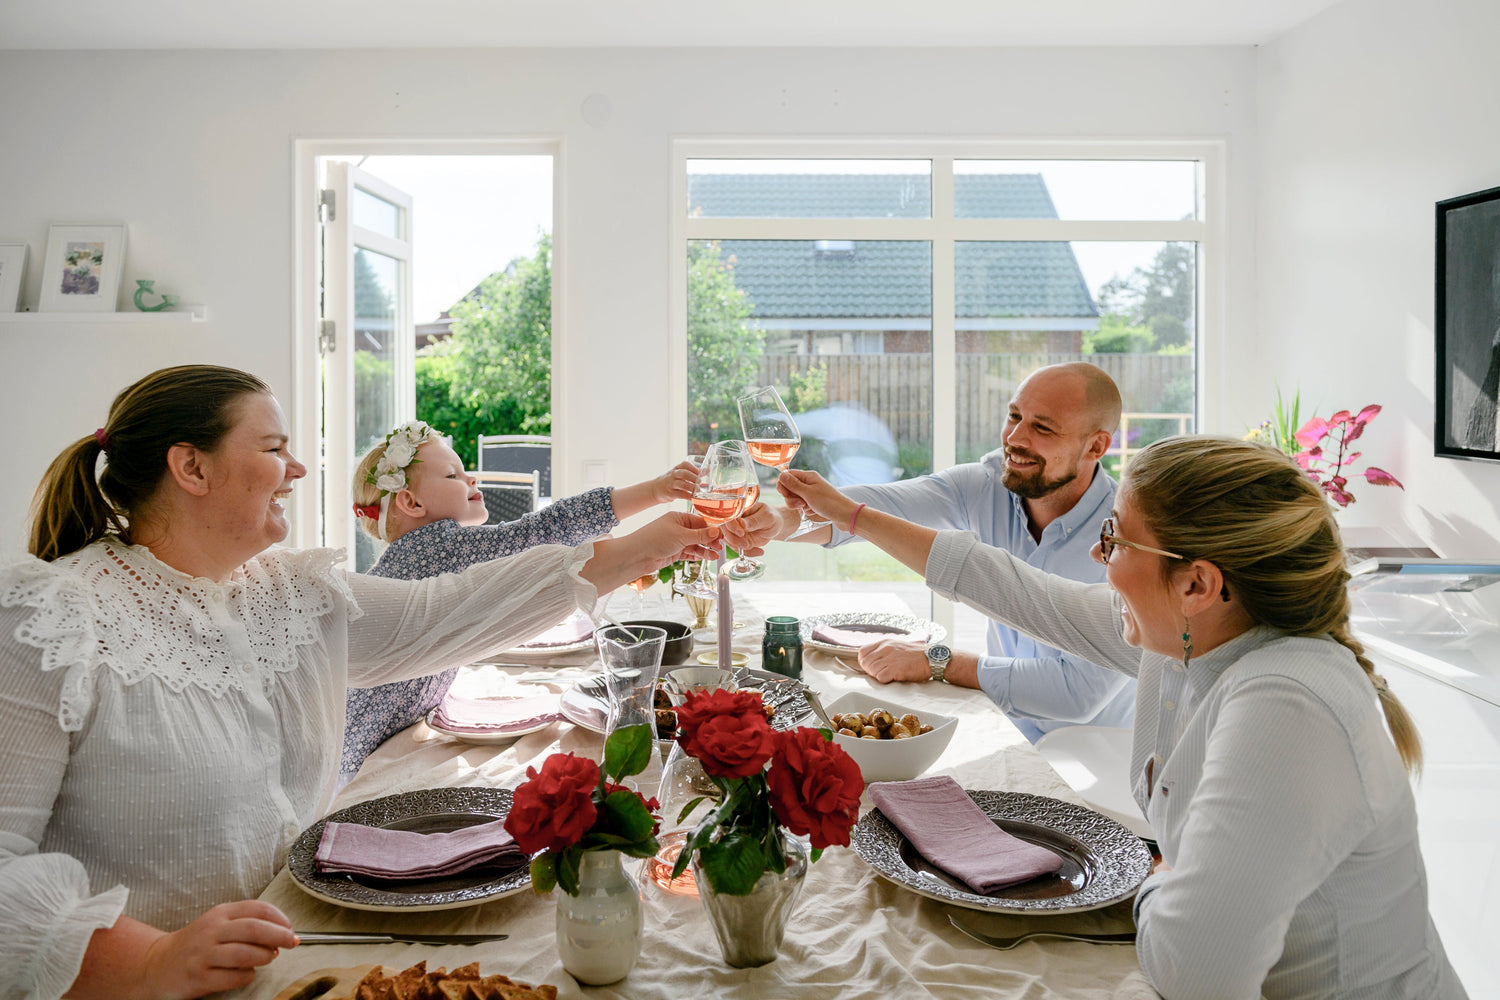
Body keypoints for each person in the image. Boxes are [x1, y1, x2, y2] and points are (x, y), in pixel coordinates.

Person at [0, 365, 722, 1000]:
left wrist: (660, 540)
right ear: (191, 468)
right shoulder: (49, 618)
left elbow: (448, 612)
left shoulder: (284, 592)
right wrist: (151, 961)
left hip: (300, 961)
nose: (299, 469)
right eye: (273, 448)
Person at [777, 437, 1465, 999]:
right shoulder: (1190, 639)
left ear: (1197, 582)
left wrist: (1155, 880)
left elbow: (1196, 973)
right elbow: (1011, 587)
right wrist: (851, 516)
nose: (1103, 563)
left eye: (1116, 541)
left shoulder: (1286, 706)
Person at [747, 362, 1133, 742]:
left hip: (1092, 751)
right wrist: (780, 523)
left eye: (1042, 428)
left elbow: (1076, 694)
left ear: (1096, 445)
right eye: (1013, 416)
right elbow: (878, 509)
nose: (1015, 438)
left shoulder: (1125, 539)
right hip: (1002, 724)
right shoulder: (989, 484)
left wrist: (938, 662)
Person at [340, 421, 700, 781]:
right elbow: (545, 528)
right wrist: (656, 491)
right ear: (411, 502)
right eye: (453, 475)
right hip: (355, 752)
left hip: (363, 738)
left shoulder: (412, 555)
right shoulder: (435, 545)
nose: (471, 481)